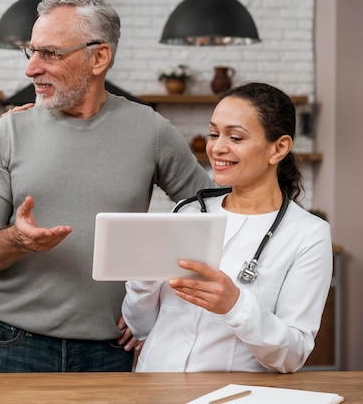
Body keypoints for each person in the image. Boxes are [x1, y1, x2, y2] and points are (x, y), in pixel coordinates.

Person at [0, 0, 213, 373]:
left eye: (51, 53)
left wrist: (154, 300)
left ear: (99, 57)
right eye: (32, 52)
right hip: (14, 345)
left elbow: (210, 216)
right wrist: (17, 239)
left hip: (110, 349)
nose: (31, 69)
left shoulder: (152, 131)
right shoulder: (9, 131)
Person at [122, 82, 333, 373]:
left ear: (279, 147)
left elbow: (292, 354)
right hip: (154, 386)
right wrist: (142, 278)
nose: (217, 147)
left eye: (235, 137)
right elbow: (141, 326)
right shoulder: (186, 212)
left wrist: (235, 306)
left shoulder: (308, 234)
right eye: (213, 134)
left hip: (231, 395)